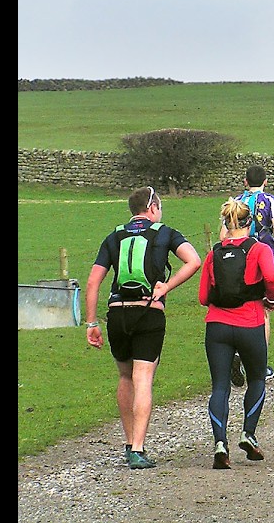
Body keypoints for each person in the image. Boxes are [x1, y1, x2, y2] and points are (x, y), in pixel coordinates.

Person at [83, 186, 202, 469]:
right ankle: (138, 448)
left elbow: (93, 282)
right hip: (149, 312)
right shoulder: (165, 232)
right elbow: (194, 260)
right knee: (143, 377)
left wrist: (91, 322)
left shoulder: (115, 236)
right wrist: (166, 286)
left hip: (117, 315)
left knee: (125, 376)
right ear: (152, 208)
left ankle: (128, 443)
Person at [200, 197, 274, 469]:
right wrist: (270, 298)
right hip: (251, 323)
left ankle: (220, 444)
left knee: (220, 386)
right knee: (257, 378)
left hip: (217, 326)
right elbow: (271, 278)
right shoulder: (258, 250)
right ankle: (248, 434)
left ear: (226, 223)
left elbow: (203, 297)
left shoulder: (213, 254)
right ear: (250, 223)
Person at [220, 165, 274, 383]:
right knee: (263, 310)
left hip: (236, 257)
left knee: (241, 304)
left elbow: (222, 234)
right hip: (261, 254)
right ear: (265, 181)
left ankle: (237, 352)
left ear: (245, 182)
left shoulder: (235, 202)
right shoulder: (270, 200)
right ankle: (260, 364)